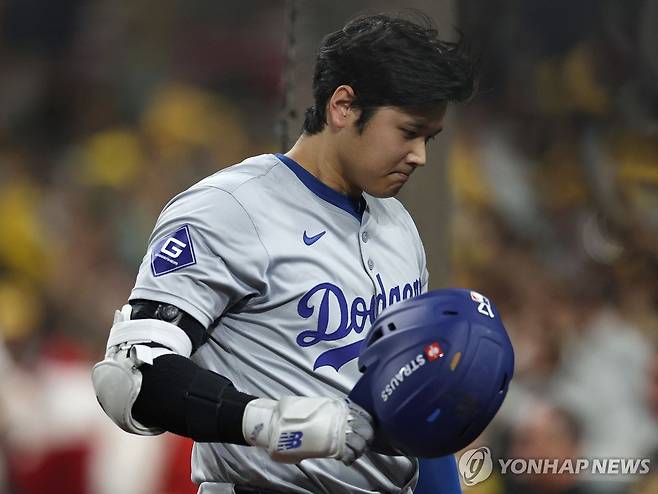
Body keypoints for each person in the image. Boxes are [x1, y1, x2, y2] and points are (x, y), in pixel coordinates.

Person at [92, 11, 477, 494]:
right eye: (408, 131)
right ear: (343, 106)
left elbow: (409, 414)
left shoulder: (398, 225)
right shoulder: (229, 208)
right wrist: (267, 421)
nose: (420, 155)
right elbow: (133, 377)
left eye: (429, 138)